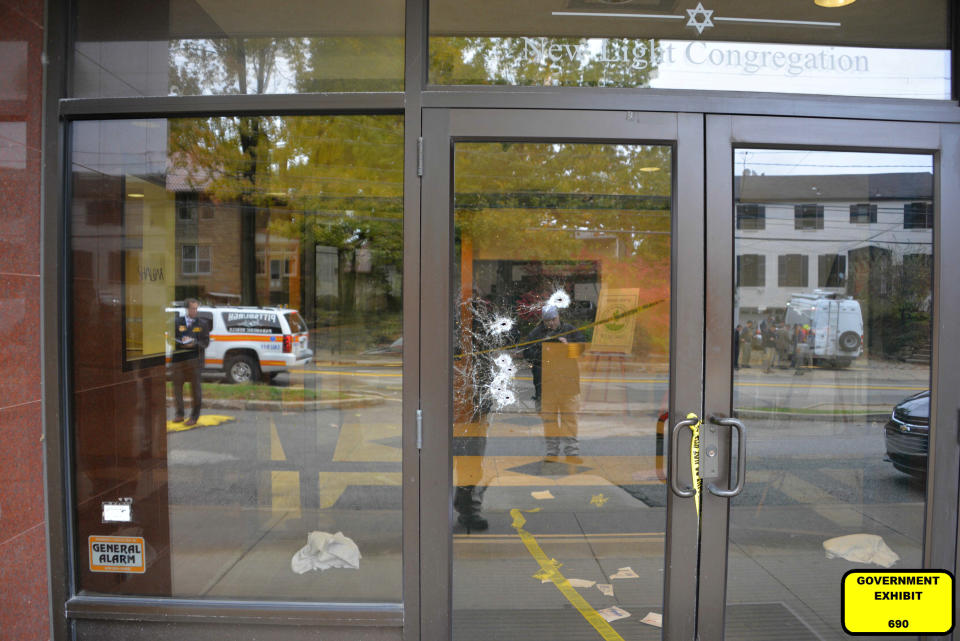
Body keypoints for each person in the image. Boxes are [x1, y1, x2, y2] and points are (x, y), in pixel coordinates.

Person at [523, 305, 585, 461]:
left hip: (568, 384)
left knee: (570, 419)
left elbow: (581, 350)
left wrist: (567, 347)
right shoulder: (535, 334)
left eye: (553, 319)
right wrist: (546, 350)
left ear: (558, 317)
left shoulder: (570, 331)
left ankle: (572, 453)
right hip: (545, 385)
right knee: (549, 421)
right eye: (547, 321)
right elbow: (528, 355)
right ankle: (552, 452)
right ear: (542, 320)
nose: (550, 323)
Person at [172, 298, 210, 426]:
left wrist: (194, 343)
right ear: (187, 309)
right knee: (177, 387)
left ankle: (194, 416)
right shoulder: (177, 322)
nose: (194, 311)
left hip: (195, 361)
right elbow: (171, 339)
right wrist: (181, 342)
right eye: (192, 308)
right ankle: (179, 414)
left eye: (196, 308)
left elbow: (205, 342)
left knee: (195, 389)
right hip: (178, 360)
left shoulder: (202, 324)